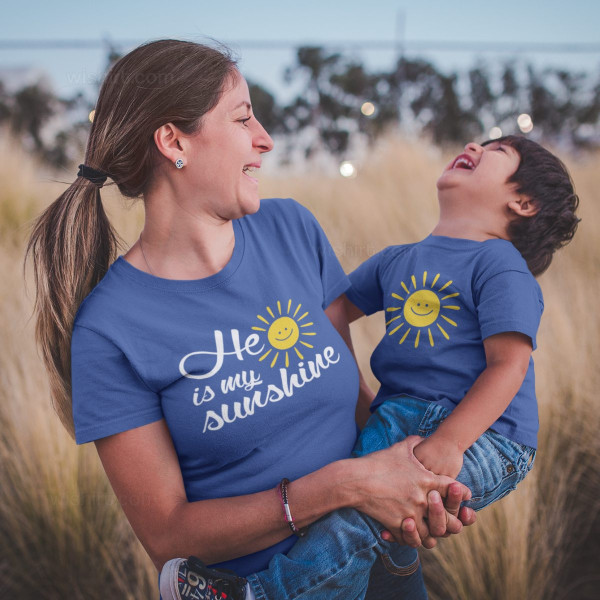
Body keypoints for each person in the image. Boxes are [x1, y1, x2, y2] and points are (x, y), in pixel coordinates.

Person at [25, 39, 474, 600]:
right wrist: (340, 486)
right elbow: (168, 535)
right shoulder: (108, 330)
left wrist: (417, 488)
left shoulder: (294, 231)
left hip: (386, 560)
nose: (265, 138)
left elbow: (357, 400)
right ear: (173, 141)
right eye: (242, 118)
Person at [159, 135, 579, 600]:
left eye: (496, 151)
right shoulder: (399, 259)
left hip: (487, 435)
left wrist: (449, 443)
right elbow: (329, 311)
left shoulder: (500, 265)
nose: (473, 146)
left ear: (522, 202)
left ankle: (258, 595)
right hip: (396, 416)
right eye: (477, 142)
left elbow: (509, 367)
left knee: (358, 517)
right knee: (358, 505)